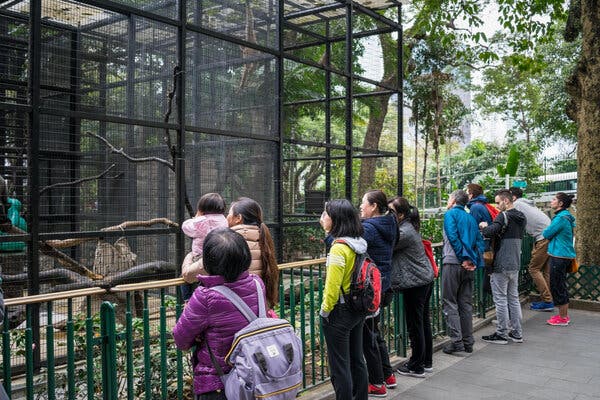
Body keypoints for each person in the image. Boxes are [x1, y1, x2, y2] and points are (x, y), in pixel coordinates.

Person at [173, 228, 263, 400]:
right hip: (252, 374)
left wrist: (198, 335)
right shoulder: (257, 284)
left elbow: (180, 339)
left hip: (219, 383)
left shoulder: (205, 296)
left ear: (207, 262)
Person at [182, 197, 279, 308]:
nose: (226, 216)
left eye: (229, 213)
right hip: (257, 308)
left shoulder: (226, 244)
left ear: (238, 218)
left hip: (229, 309)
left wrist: (190, 256)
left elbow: (189, 275)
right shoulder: (263, 241)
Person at [319, 199, 368, 400]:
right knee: (357, 359)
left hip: (339, 311)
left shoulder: (339, 247)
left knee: (339, 367)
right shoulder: (359, 244)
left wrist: (324, 311)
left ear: (336, 219)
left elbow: (332, 287)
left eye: (326, 214)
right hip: (357, 308)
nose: (323, 218)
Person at [388, 197, 434, 377]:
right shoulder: (408, 227)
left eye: (391, 212)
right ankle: (426, 361)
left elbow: (385, 245)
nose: (388, 215)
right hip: (423, 279)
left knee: (416, 325)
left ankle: (416, 365)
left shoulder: (404, 232)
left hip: (416, 283)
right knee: (422, 322)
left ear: (400, 214)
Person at [359, 190, 397, 396]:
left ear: (374, 206)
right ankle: (387, 375)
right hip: (383, 285)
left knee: (368, 337)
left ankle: (376, 383)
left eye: (363, 203)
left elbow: (351, 246)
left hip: (370, 289)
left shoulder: (369, 228)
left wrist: (330, 235)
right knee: (375, 332)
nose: (361, 207)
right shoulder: (390, 224)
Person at [479, 189, 526, 344]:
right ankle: (517, 333)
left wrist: (484, 226)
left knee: (500, 299)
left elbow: (490, 231)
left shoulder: (504, 215)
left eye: (498, 202)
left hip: (501, 263)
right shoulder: (521, 217)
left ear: (506, 201)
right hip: (515, 262)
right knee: (513, 298)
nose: (497, 206)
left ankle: (501, 334)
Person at [441, 190, 485, 354]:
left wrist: (462, 258)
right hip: (468, 266)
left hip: (454, 263)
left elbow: (453, 237)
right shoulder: (470, 217)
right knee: (465, 304)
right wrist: (472, 261)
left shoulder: (451, 214)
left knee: (450, 302)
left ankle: (456, 341)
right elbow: (480, 242)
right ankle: (468, 341)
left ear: (453, 200)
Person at [509, 187, 553, 311]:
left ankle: (548, 301)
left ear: (512, 197)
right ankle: (548, 299)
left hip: (542, 238)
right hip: (548, 237)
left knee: (533, 269)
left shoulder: (517, 204)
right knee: (545, 271)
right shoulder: (526, 203)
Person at [180, 193, 228, 301]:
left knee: (185, 279)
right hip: (220, 255)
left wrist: (196, 217)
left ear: (202, 208)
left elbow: (185, 227)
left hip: (200, 257)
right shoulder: (224, 220)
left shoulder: (201, 221)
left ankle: (187, 299)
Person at [542, 192, 576, 326]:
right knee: (560, 284)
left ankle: (563, 318)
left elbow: (546, 233)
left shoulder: (560, 218)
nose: (551, 201)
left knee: (558, 286)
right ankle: (563, 316)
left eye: (554, 199)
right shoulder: (567, 217)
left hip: (559, 256)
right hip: (564, 255)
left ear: (560, 204)